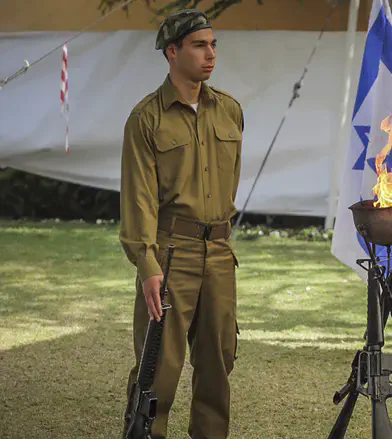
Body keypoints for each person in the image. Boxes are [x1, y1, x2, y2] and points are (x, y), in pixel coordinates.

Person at [119, 9, 244, 439]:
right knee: (159, 369)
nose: (210, 54)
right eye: (199, 45)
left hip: (220, 256)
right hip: (171, 256)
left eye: (213, 45)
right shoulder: (146, 119)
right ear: (172, 52)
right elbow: (137, 200)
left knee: (217, 367)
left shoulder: (229, 111)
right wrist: (148, 265)